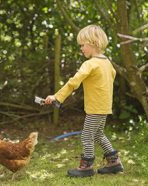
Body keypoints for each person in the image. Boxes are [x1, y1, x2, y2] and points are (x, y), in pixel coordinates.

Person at [45, 24, 123, 177]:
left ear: (92, 42)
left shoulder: (90, 64)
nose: (81, 48)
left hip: (95, 108)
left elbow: (73, 82)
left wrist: (57, 97)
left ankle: (86, 167)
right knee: (99, 134)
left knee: (87, 135)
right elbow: (112, 77)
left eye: (82, 45)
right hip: (105, 107)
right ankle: (114, 162)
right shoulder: (107, 63)